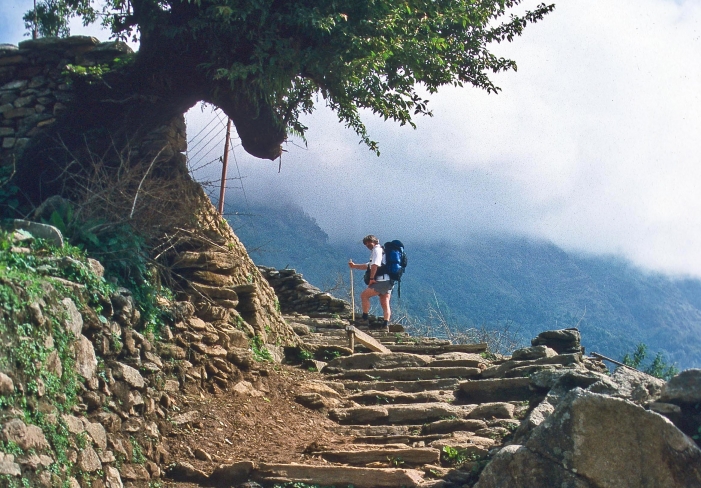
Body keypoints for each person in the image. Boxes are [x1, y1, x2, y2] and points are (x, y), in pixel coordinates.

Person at [348, 235, 394, 329]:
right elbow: (367, 265)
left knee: (364, 295)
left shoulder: (377, 250)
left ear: (375, 241)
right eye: (366, 244)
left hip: (381, 281)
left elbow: (374, 265)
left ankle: (364, 318)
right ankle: (385, 324)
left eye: (369, 242)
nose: (367, 245)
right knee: (385, 302)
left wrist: (371, 278)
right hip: (389, 281)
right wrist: (354, 266)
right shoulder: (382, 251)